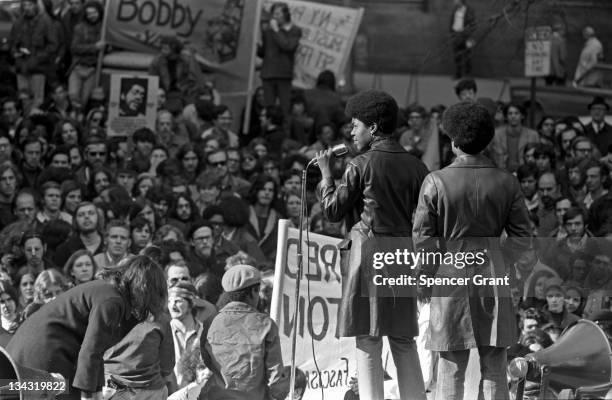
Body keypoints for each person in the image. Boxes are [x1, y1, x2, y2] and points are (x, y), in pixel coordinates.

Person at [413, 101, 532, 400]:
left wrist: (424, 278)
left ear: (453, 142)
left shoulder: (436, 181)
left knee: (451, 366)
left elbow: (423, 241)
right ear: (488, 140)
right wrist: (500, 259)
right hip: (493, 272)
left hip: (450, 273)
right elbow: (522, 237)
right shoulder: (507, 182)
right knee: (494, 364)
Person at [315, 90, 429, 400]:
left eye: (355, 125)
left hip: (368, 254)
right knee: (404, 340)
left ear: (373, 127)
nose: (351, 132)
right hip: (404, 255)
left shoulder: (360, 163)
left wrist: (326, 175)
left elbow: (332, 211)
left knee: (368, 339)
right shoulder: (417, 167)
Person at [6, 255, 167, 400]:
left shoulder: (107, 292)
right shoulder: (111, 300)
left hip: (28, 354)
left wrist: (96, 390)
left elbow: (95, 352)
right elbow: (91, 350)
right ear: (144, 288)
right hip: (42, 354)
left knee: (33, 390)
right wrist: (89, 395)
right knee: (59, 392)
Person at [200, 264, 290, 399]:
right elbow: (275, 376)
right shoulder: (265, 324)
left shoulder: (210, 322)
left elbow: (206, 360)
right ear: (254, 291)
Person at [8, 0, 59, 108]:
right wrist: (15, 53)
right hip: (21, 67)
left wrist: (37, 58)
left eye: (30, 5)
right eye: (25, 5)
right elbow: (12, 42)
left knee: (37, 101)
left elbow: (53, 45)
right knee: (24, 100)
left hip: (37, 68)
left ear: (35, 5)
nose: (27, 8)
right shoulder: (19, 22)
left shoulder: (45, 21)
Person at [259, 2, 302, 116]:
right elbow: (264, 52)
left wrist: (277, 31)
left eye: (278, 13)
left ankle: (285, 132)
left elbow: (288, 46)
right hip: (268, 73)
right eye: (273, 13)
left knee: (285, 109)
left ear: (285, 14)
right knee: (269, 109)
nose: (275, 16)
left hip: (283, 74)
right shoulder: (267, 31)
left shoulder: (294, 30)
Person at [449, 0, 475, 79]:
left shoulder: (469, 10)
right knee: (457, 56)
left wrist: (467, 33)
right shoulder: (455, 10)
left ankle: (468, 75)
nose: (454, 1)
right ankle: (458, 74)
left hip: (466, 36)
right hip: (456, 35)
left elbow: (472, 24)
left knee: (467, 56)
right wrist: (451, 32)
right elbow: (452, 21)